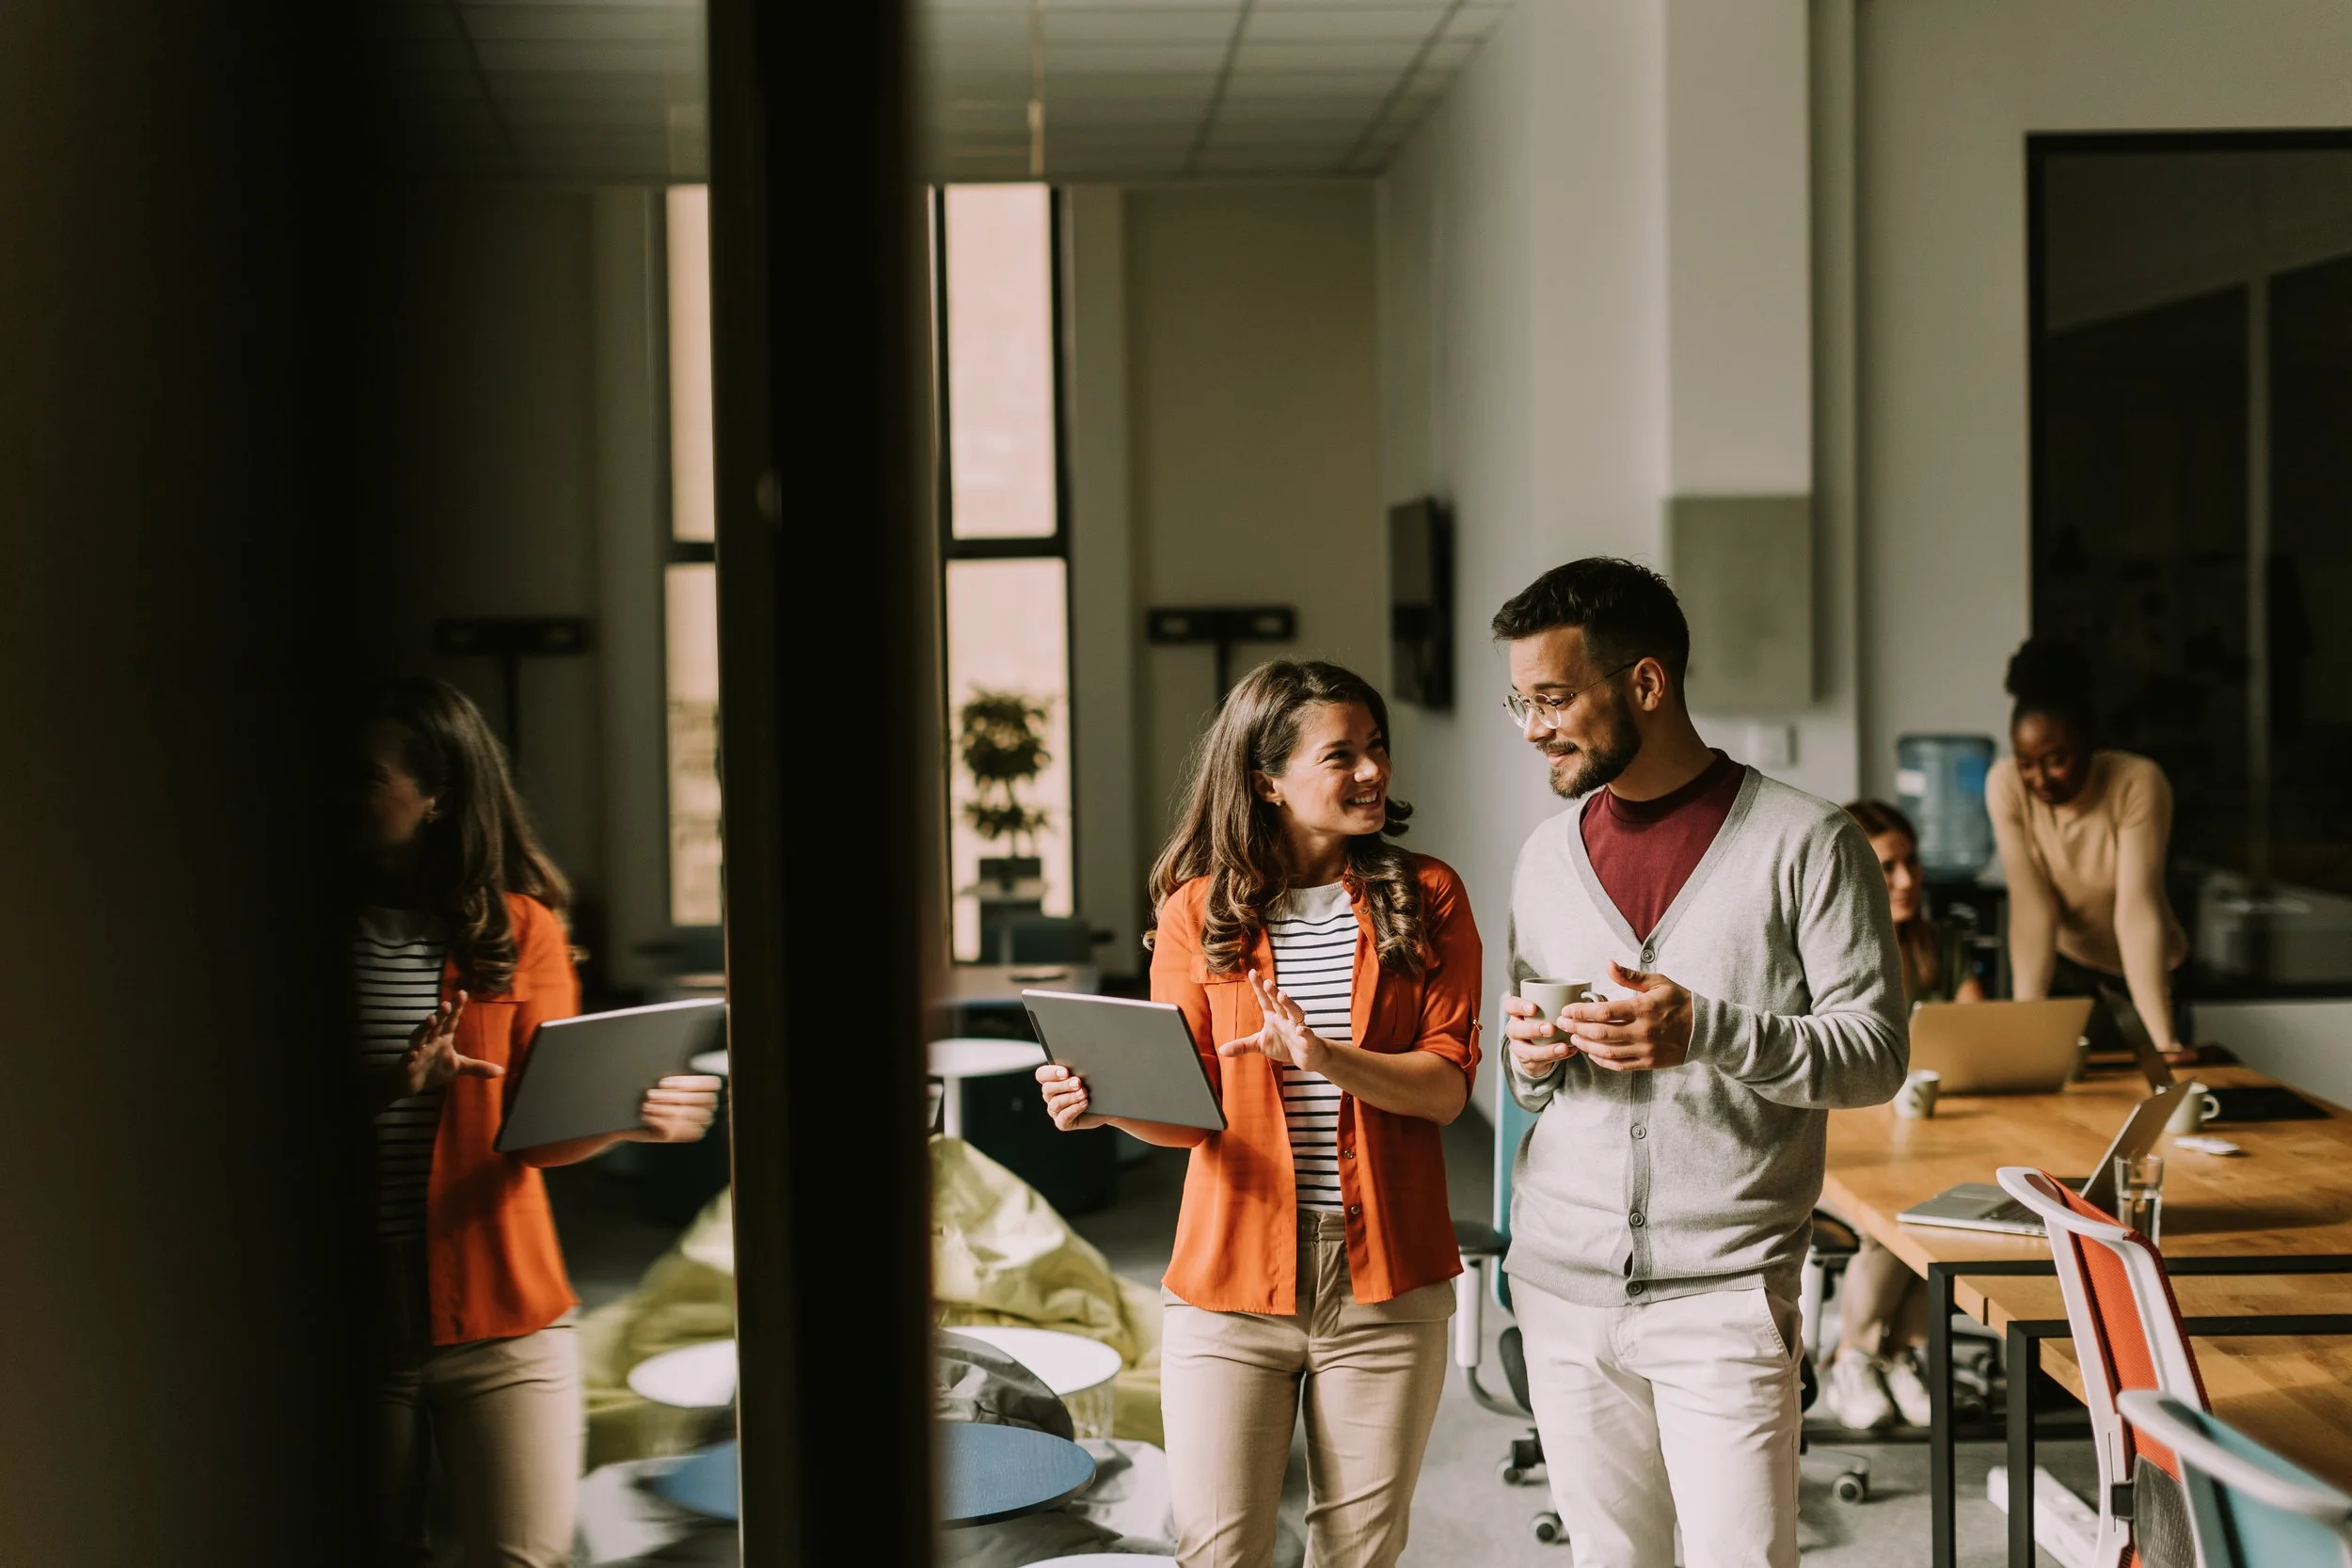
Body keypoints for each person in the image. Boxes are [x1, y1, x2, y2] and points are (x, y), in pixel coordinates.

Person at [1493, 560, 1907, 1568]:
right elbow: (1523, 1082)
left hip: (1724, 1288)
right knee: (1610, 1556)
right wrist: (1532, 1057)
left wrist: (1710, 1031)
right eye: (1519, 703)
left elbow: (1876, 1053)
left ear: (1644, 683)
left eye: (1552, 698)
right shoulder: (1544, 857)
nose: (1532, 728)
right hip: (1560, 1281)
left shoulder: (1809, 842)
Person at [1033, 660, 1481, 1568]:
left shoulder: (1426, 893)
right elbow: (1187, 1115)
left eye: (1377, 748)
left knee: (1357, 1555)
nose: (1373, 772)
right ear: (1266, 779)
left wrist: (1326, 1058)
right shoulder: (1199, 908)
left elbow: (1444, 1088)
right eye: (1342, 754)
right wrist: (1105, 1104)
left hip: (1387, 1286)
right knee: (1219, 1552)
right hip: (1230, 1279)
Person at [358, 678, 723, 1568]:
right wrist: (387, 1085)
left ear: (438, 794)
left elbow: (535, 1134)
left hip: (504, 1313)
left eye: (365, 774)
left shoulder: (522, 929)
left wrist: (630, 1115)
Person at [1819, 799, 1982, 1431]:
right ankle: (1856, 1353)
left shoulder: (1941, 944)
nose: (1909, 880)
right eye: (1888, 867)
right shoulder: (1829, 952)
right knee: (1905, 1207)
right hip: (1842, 1149)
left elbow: (1984, 1035)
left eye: (1912, 862)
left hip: (1932, 1140)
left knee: (1945, 1195)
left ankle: (1897, 1354)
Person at [1988, 637, 2194, 1066]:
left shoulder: (2137, 781)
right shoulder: (2004, 785)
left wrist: (2163, 1041)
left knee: (2160, 1096)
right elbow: (2032, 907)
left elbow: (2137, 909)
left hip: (2150, 971)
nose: (2041, 779)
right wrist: (2027, 1023)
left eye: (2057, 759)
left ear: (2090, 744)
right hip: (2067, 968)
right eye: (2027, 762)